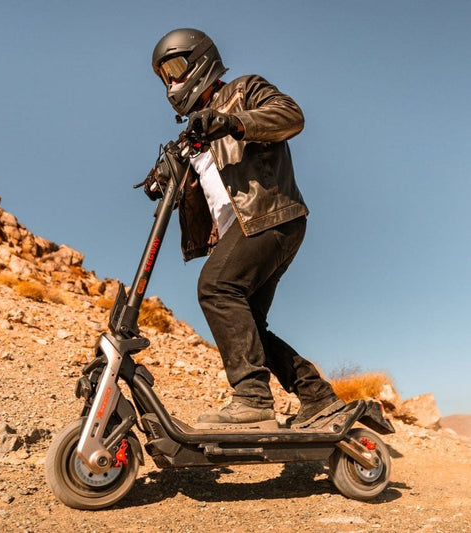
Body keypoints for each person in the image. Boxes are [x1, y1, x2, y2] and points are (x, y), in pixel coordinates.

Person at [146, 28, 345, 429]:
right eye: (164, 76)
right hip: (249, 228)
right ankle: (317, 396)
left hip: (268, 217)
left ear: (200, 59)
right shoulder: (194, 133)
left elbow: (291, 116)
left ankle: (252, 398)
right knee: (249, 324)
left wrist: (233, 121)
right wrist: (164, 176)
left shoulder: (243, 90)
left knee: (216, 288)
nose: (171, 82)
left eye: (175, 68)